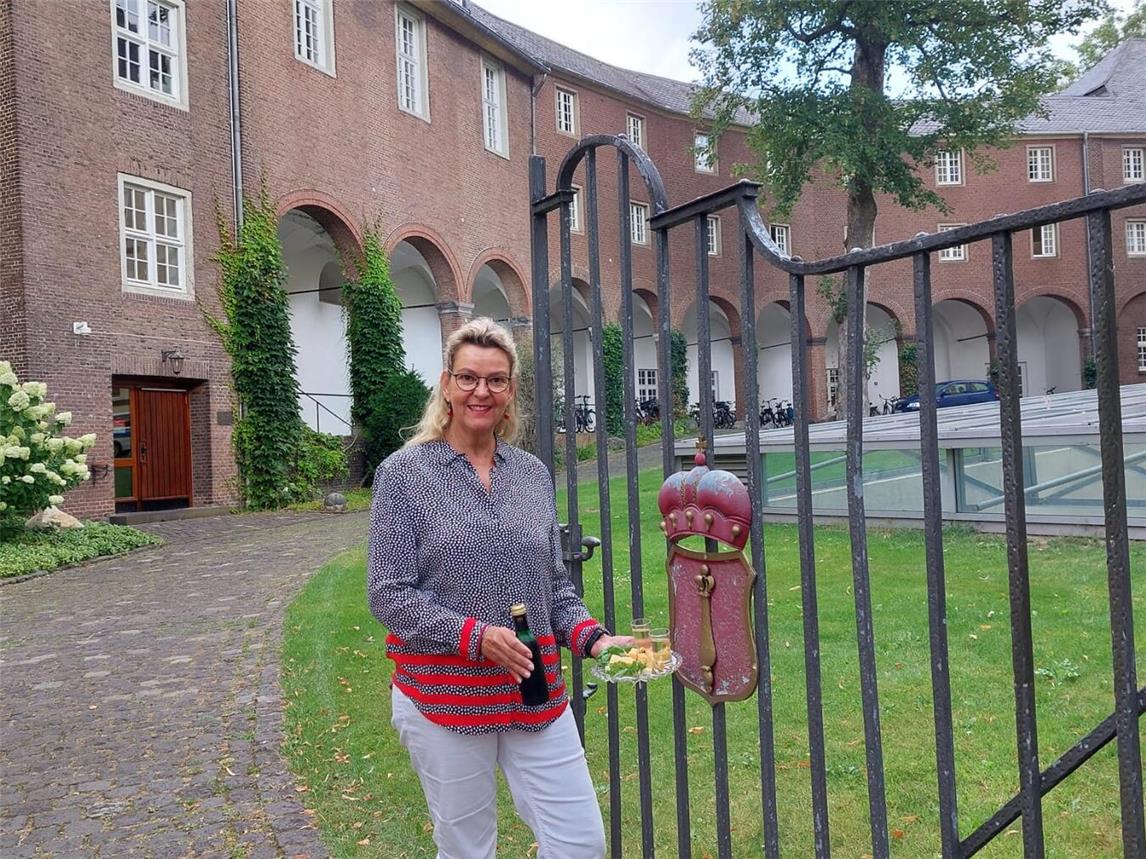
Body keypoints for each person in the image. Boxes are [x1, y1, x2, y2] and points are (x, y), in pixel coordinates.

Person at [368, 317, 628, 859]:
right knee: (467, 849)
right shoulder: (404, 474)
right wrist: (475, 636)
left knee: (581, 842)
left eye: (495, 380)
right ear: (446, 385)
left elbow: (553, 586)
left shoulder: (532, 473)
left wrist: (595, 639)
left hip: (537, 695)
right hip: (446, 698)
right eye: (467, 378)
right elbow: (389, 593)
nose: (480, 391)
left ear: (510, 391)